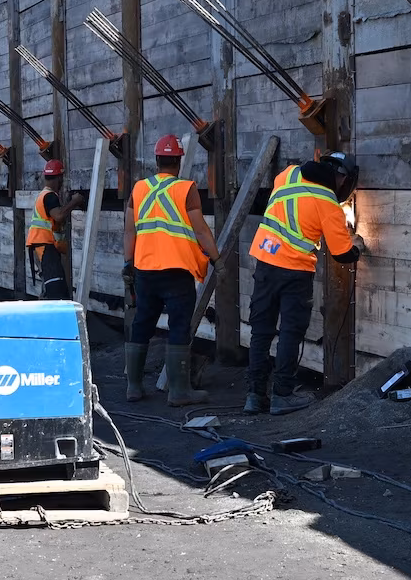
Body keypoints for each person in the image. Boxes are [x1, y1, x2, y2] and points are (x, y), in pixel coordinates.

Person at [245, 151, 363, 415]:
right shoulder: (328, 202)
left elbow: (291, 210)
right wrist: (357, 245)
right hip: (294, 271)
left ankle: (254, 396)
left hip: (265, 260)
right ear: (342, 178)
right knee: (290, 332)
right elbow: (342, 253)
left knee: (261, 331)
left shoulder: (288, 174)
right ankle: (282, 395)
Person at [122, 134, 219, 406]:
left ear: (156, 161)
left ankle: (134, 387)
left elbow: (130, 229)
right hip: (177, 271)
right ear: (178, 161)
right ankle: (179, 392)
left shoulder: (139, 189)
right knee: (178, 326)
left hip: (145, 270)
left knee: (142, 322)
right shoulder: (186, 189)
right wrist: (216, 259)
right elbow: (200, 230)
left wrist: (128, 263)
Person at [25, 157, 86, 300]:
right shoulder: (50, 196)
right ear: (58, 178)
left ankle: (43, 317)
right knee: (55, 289)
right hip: (44, 246)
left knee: (49, 286)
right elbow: (58, 216)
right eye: (62, 178)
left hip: (39, 245)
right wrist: (75, 201)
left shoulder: (43, 195)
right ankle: (52, 319)